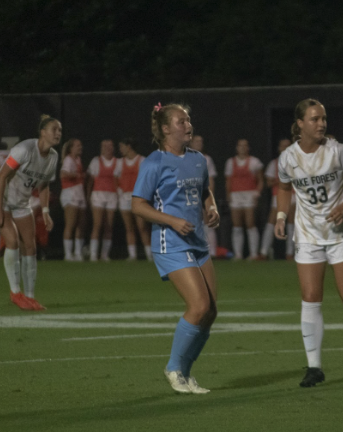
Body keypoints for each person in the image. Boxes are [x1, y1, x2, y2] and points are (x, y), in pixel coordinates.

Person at [274, 98, 343, 388]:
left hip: (340, 234)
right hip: (308, 235)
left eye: (323, 118)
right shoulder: (288, 158)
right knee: (310, 298)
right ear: (300, 124)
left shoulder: (337, 151)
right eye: (314, 119)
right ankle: (314, 367)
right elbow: (283, 187)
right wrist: (282, 215)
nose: (321, 124)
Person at [132, 103, 219, 394]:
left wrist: (212, 207)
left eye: (189, 120)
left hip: (198, 242)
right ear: (166, 128)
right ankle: (173, 367)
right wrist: (172, 220)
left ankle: (185, 372)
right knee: (199, 306)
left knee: (211, 311)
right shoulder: (154, 162)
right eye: (181, 121)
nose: (188, 125)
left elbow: (205, 190)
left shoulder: (197, 159)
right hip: (171, 243)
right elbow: (137, 205)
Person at [0, 115, 60, 310]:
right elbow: (2, 177)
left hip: (20, 202)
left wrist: (45, 211)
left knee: (30, 245)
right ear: (43, 132)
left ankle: (30, 296)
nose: (58, 133)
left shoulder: (53, 157)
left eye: (60, 130)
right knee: (12, 241)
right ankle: (15, 293)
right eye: (54, 129)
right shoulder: (24, 149)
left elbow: (43, 185)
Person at [224, 139, 264, 260]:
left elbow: (261, 180)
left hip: (249, 194)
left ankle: (253, 254)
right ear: (237, 148)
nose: (242, 148)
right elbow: (228, 181)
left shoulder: (254, 162)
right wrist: (228, 195)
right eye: (240, 145)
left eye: (245, 145)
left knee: (250, 223)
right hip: (235, 195)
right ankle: (238, 254)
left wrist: (257, 194)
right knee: (237, 225)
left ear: (248, 148)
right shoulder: (230, 162)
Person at [259, 138, 295, 260]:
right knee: (272, 220)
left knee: (291, 221)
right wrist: (283, 180)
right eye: (282, 146)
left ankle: (290, 253)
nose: (285, 148)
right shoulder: (274, 163)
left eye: (287, 146)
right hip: (278, 195)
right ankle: (263, 252)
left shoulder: (297, 162)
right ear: (279, 148)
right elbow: (268, 183)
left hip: (294, 195)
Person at [117, 138, 152, 261]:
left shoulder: (142, 160)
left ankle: (149, 255)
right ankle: (132, 255)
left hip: (138, 197)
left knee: (142, 227)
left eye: (122, 146)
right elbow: (116, 179)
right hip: (124, 198)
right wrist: (120, 192)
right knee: (129, 228)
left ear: (129, 146)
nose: (120, 150)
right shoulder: (120, 162)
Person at [87, 139, 120, 262]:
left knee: (109, 226)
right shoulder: (96, 161)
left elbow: (118, 180)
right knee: (97, 224)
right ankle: (93, 255)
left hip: (112, 195)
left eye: (110, 146)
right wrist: (88, 196)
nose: (108, 148)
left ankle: (105, 255)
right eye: (105, 146)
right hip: (98, 194)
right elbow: (90, 181)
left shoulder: (118, 162)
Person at [189, 135, 219, 257]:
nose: (199, 143)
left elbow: (211, 179)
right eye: (196, 141)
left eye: (201, 141)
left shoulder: (207, 159)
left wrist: (209, 198)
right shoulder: (184, 158)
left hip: (202, 193)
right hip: (189, 195)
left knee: (208, 221)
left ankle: (212, 251)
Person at [59, 138, 87, 261]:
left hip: (79, 192)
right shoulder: (68, 160)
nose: (80, 147)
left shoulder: (78, 159)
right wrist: (77, 175)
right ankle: (68, 254)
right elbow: (63, 174)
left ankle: (78, 253)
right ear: (71, 148)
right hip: (70, 193)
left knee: (81, 225)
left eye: (80, 145)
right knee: (70, 224)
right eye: (77, 146)